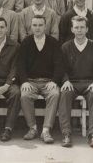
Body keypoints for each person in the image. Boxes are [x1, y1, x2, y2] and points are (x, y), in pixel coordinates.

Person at [59, 16, 93, 148]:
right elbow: (61, 69)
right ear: (72, 29)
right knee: (64, 93)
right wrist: (65, 80)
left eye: (82, 27)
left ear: (87, 29)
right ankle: (66, 134)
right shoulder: (65, 47)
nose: (79, 30)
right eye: (76, 27)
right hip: (72, 83)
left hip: (89, 82)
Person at [18, 15, 64, 143]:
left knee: (55, 94)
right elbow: (20, 65)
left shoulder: (53, 43)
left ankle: (46, 130)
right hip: (31, 81)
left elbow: (59, 64)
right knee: (24, 96)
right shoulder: (26, 42)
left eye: (40, 25)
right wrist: (24, 81)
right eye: (35, 25)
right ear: (31, 27)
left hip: (48, 81)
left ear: (45, 26)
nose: (37, 28)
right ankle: (32, 128)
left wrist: (54, 81)